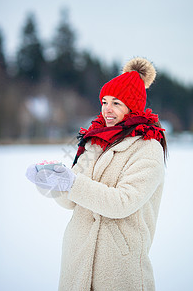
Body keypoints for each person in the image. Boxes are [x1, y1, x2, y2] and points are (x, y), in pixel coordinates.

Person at [26, 57, 167, 291]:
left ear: (132, 106)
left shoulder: (148, 148)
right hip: (77, 260)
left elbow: (123, 202)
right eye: (104, 101)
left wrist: (72, 183)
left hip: (119, 268)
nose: (107, 109)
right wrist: (54, 181)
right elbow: (72, 200)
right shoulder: (95, 141)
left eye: (116, 103)